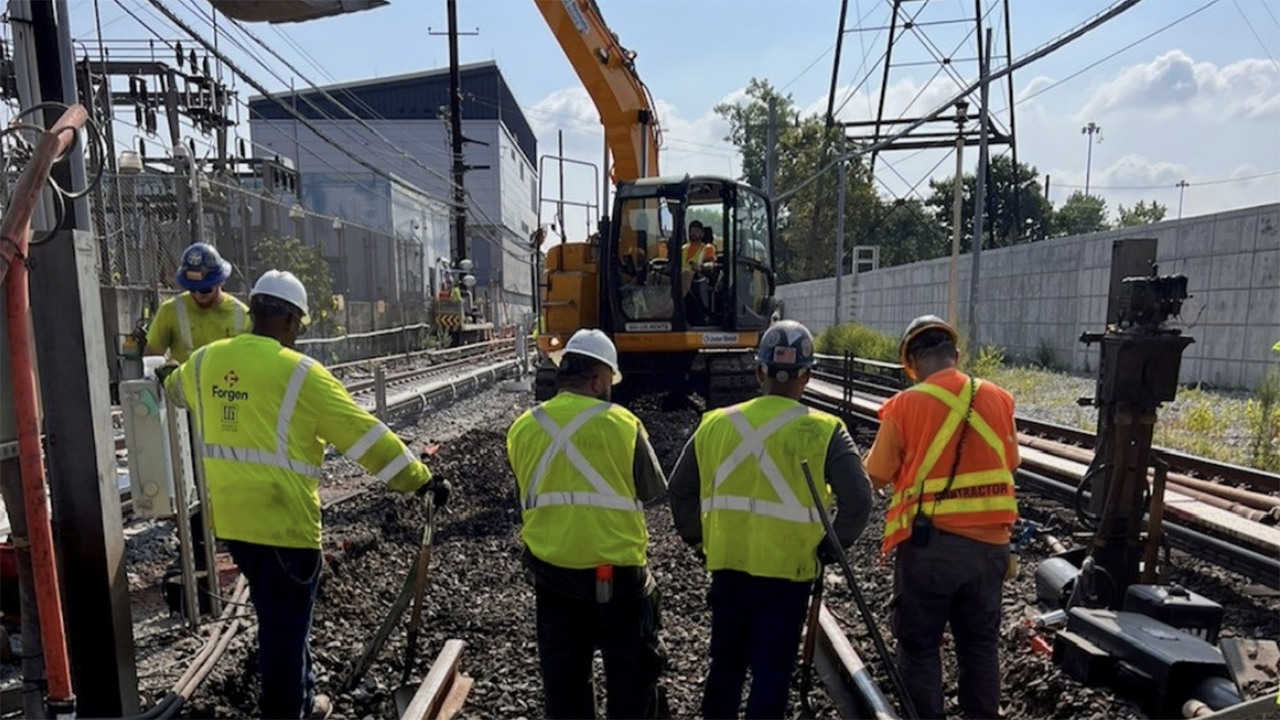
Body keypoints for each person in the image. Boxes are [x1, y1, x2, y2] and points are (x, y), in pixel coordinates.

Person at [161, 270, 451, 720]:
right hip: (286, 527)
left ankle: (304, 696)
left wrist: (158, 373)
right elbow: (364, 437)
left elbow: (171, 387)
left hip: (235, 525)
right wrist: (420, 480)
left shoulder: (204, 362)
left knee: (282, 620)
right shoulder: (302, 374)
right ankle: (284, 712)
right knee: (283, 630)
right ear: (292, 321)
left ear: (253, 312)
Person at [668, 319, 873, 720]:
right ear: (808, 375)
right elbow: (859, 501)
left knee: (725, 667)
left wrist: (698, 541)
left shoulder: (715, 424)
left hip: (728, 570)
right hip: (787, 577)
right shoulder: (825, 430)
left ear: (759, 370)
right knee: (772, 673)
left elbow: (680, 489)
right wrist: (830, 549)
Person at [505, 328, 668, 719]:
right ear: (598, 378)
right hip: (622, 582)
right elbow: (651, 491)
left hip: (554, 580)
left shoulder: (522, 428)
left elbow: (524, 493)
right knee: (632, 688)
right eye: (609, 380)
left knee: (565, 691)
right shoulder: (624, 424)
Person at [863, 315, 1020, 720]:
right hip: (991, 550)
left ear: (912, 362)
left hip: (930, 550)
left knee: (919, 646)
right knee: (980, 646)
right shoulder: (999, 398)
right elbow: (1011, 462)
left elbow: (875, 475)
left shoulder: (905, 405)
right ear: (955, 354)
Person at [145, 242, 250, 362]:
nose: (198, 295)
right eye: (192, 289)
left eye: (205, 289)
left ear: (221, 282)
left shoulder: (243, 315)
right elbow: (152, 356)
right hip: (186, 381)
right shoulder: (170, 311)